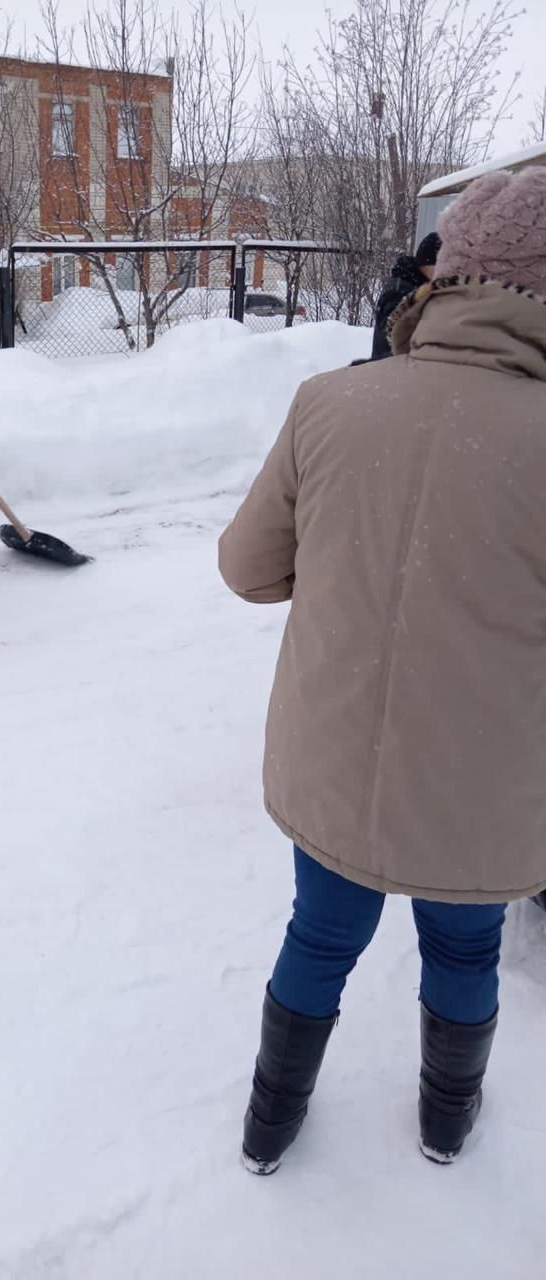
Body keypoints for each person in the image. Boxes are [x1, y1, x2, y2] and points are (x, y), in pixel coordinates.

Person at [218, 168, 546, 1174]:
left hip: (336, 757)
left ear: (447, 274)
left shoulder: (332, 402)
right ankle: (447, 1128)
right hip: (480, 789)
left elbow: (246, 566)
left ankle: (268, 1129)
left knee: (319, 937)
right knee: (463, 950)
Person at [369, 231, 441, 360]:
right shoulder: (401, 291)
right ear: (430, 264)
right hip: (391, 370)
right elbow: (392, 339)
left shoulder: (412, 284)